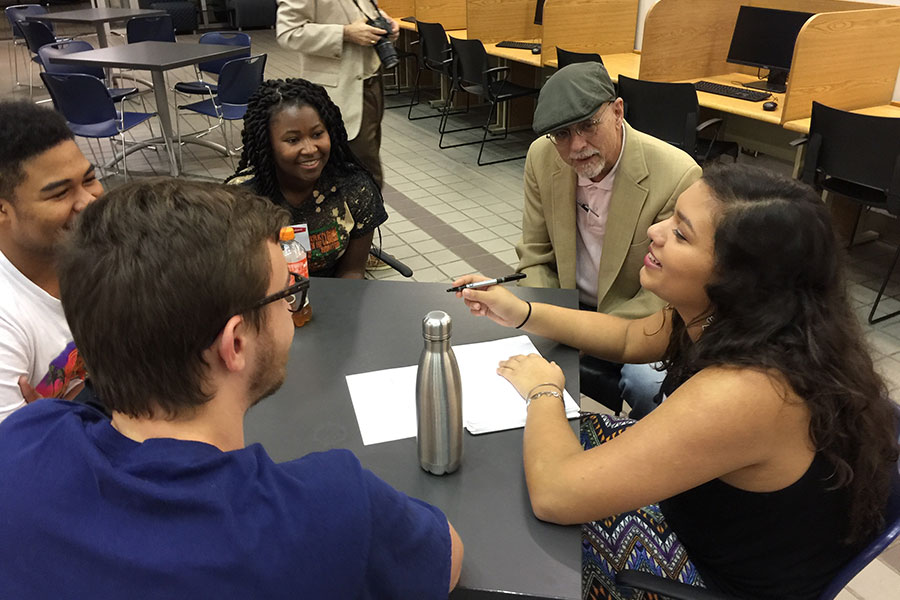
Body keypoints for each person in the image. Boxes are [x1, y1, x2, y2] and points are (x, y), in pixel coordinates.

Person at [455, 164, 899, 600]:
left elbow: (556, 495)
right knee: (538, 450)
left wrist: (543, 391)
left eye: (681, 233)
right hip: (709, 520)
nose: (655, 230)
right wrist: (524, 312)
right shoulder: (742, 319)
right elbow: (630, 336)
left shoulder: (749, 389)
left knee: (500, 533)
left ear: (736, 277)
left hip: (706, 576)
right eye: (670, 217)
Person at [0, 179, 463, 598]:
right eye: (286, 295)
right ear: (235, 343)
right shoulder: (331, 507)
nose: (291, 310)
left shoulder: (22, 441)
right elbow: (447, 558)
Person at [517, 62, 702, 418]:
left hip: (637, 314)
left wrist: (583, 334)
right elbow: (536, 255)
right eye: (562, 135)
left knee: (649, 385)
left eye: (588, 125)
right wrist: (553, 318)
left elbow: (663, 292)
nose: (577, 146)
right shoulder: (541, 157)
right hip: (566, 303)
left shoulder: (677, 174)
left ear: (618, 111)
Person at [0, 100, 103, 421]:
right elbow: (15, 461)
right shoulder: (7, 321)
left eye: (89, 179)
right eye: (60, 194)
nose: (87, 202)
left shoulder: (101, 249)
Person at [229, 77, 388, 278]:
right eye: (293, 140)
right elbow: (239, 280)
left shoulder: (355, 189)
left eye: (317, 134)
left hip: (337, 295)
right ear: (268, 145)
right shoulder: (242, 199)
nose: (310, 149)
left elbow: (353, 271)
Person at [275, 0, 399, 188]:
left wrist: (383, 21)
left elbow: (358, 12)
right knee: (362, 172)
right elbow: (288, 33)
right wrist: (344, 33)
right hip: (338, 92)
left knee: (366, 164)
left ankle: (365, 213)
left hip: (371, 85)